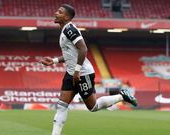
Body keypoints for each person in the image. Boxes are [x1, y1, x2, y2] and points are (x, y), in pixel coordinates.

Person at [40, 4, 138, 135]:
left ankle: (122, 95)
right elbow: (70, 54)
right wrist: (54, 60)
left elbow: (83, 48)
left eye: (60, 12)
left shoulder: (70, 30)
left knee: (93, 107)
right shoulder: (64, 30)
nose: (56, 13)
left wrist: (77, 71)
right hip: (71, 73)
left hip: (82, 73)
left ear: (67, 17)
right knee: (62, 105)